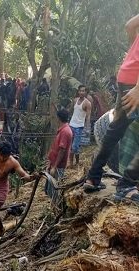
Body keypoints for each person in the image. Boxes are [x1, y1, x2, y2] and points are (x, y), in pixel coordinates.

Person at [84, 13, 139, 202]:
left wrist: (133, 54)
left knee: (115, 130)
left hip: (126, 77)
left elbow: (130, 25)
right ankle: (127, 185)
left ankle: (93, 177)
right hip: (135, 85)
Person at [45, 109, 73, 201]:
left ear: (58, 118)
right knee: (50, 189)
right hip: (54, 164)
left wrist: (54, 167)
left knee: (54, 190)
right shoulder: (64, 130)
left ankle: (54, 208)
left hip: (58, 166)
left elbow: (62, 150)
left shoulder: (65, 132)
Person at [68, 85, 91, 166]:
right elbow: (70, 111)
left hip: (79, 127)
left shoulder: (87, 103)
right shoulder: (75, 100)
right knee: (72, 146)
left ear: (86, 92)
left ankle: (71, 164)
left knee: (74, 146)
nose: (81, 92)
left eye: (83, 91)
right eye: (80, 91)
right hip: (71, 125)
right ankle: (76, 162)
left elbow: (88, 116)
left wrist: (87, 128)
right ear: (78, 91)